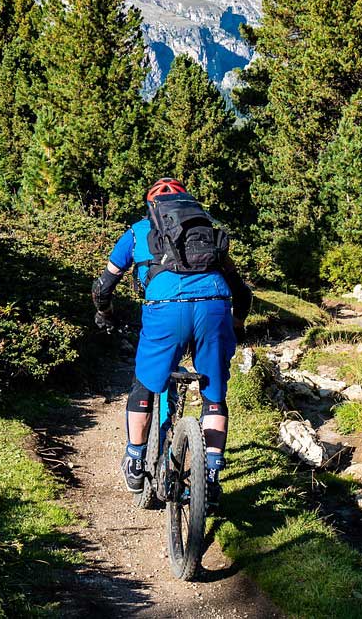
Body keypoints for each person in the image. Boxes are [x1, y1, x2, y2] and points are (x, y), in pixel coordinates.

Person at [91, 178, 252, 505]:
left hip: (165, 310)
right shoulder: (208, 231)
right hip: (215, 307)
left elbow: (103, 286)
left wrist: (105, 314)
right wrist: (236, 325)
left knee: (145, 383)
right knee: (214, 395)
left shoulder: (137, 232)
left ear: (153, 208)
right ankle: (210, 475)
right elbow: (242, 293)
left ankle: (135, 459)